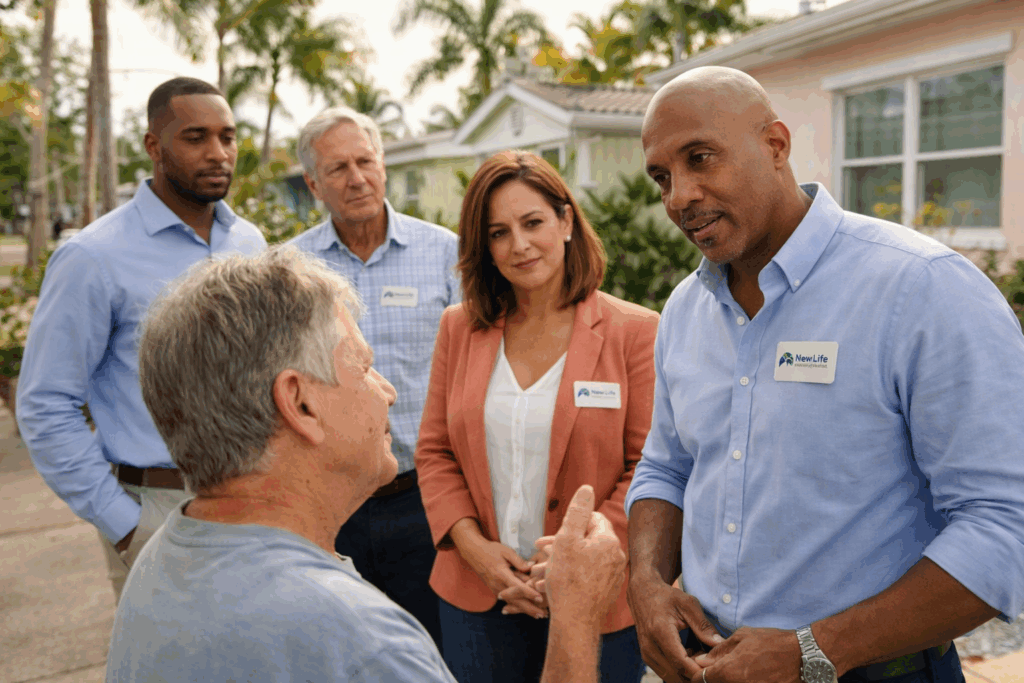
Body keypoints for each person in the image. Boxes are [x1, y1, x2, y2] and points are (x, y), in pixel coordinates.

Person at [625, 66, 1024, 683]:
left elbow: (1005, 527)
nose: (679, 197)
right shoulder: (685, 310)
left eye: (700, 158)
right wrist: (647, 582)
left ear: (775, 145)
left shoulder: (922, 289)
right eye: (662, 178)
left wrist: (812, 652)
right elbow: (667, 467)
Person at [106, 246, 628, 683]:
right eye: (364, 368)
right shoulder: (363, 643)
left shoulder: (159, 563)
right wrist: (576, 618)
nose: (389, 392)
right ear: (301, 403)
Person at [16, 76, 266, 600]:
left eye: (227, 137)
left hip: (258, 501)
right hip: (157, 508)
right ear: (154, 146)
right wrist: (126, 525)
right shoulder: (92, 256)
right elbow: (45, 404)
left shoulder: (248, 242)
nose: (218, 153)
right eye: (195, 137)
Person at [415, 150, 659, 683]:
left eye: (532, 223)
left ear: (566, 221)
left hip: (597, 604)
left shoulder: (635, 331)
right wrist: (475, 550)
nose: (519, 245)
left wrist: (575, 560)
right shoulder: (459, 328)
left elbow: (648, 466)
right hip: (478, 599)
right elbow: (434, 451)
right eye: (499, 233)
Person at [287, 107, 459, 648]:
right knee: (343, 651)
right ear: (314, 184)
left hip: (425, 500)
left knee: (435, 651)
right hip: (332, 505)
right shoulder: (290, 269)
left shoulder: (446, 253)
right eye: (338, 168)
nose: (357, 178)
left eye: (365, 161)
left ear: (383, 164)